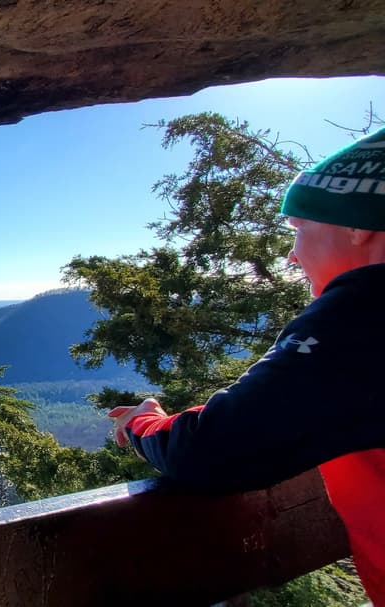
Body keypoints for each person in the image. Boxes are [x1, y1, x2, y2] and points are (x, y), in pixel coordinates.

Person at [108, 128, 385, 604]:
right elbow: (299, 409)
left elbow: (213, 448)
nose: (292, 254)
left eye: (298, 227)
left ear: (358, 224)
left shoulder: (367, 313)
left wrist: (144, 423)